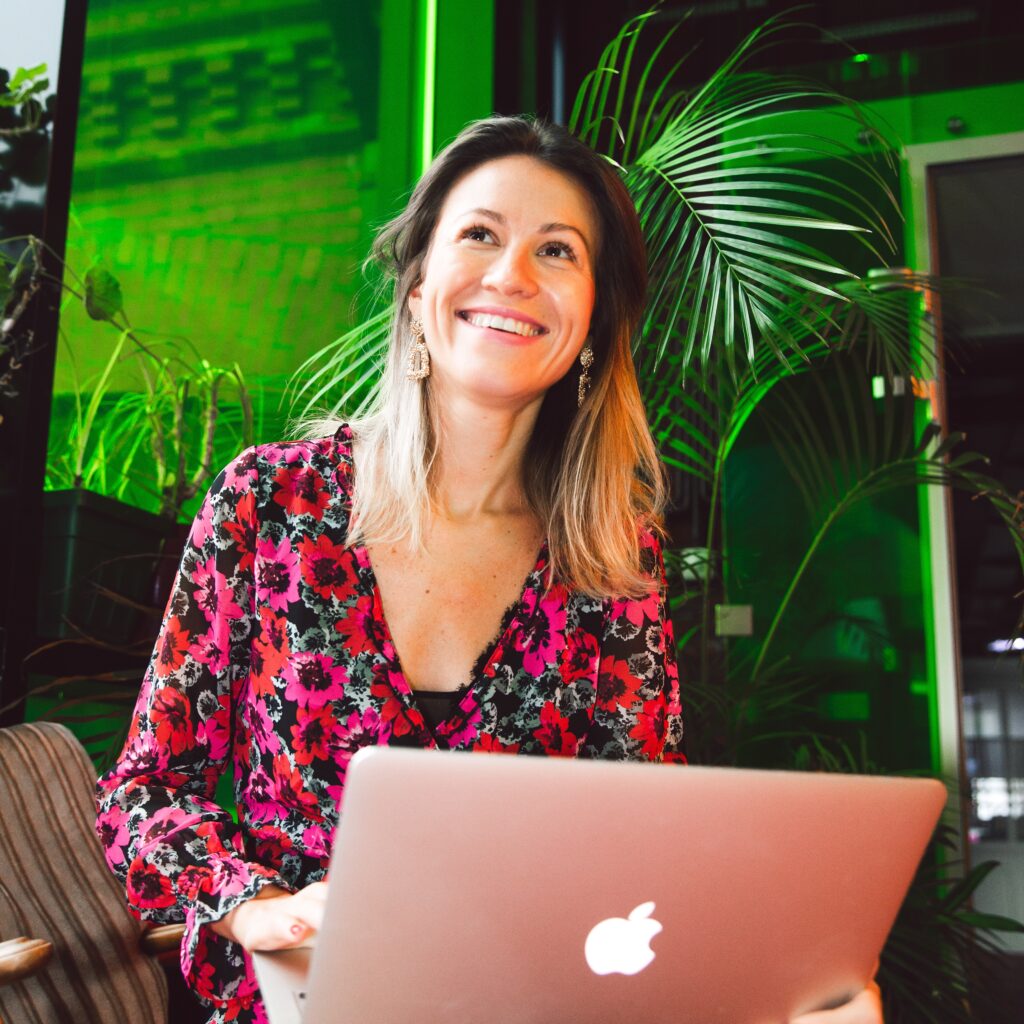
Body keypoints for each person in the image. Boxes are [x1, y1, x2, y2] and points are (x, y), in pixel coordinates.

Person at [96, 116, 882, 1024]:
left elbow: (642, 844)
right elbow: (145, 792)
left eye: (558, 250)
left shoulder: (612, 557)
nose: (512, 275)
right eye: (479, 234)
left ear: (591, 317)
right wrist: (253, 905)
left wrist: (778, 989)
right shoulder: (269, 504)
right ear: (419, 280)